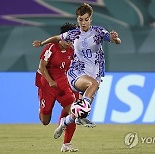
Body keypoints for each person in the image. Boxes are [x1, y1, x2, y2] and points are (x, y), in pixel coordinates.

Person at [33, 3, 121, 140]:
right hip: (77, 73)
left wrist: (116, 39)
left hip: (95, 75)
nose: (83, 22)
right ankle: (79, 111)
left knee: (80, 112)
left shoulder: (98, 32)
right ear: (77, 19)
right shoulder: (74, 34)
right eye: (81, 19)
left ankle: (64, 123)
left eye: (86, 19)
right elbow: (57, 38)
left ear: (91, 18)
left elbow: (115, 40)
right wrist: (42, 43)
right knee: (92, 86)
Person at [35, 23, 90, 152]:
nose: (69, 42)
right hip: (46, 84)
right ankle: (42, 109)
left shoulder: (73, 50)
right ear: (61, 37)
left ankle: (66, 144)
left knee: (74, 111)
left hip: (62, 83)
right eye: (67, 39)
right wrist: (50, 81)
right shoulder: (51, 48)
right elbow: (41, 67)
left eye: (71, 40)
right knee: (45, 121)